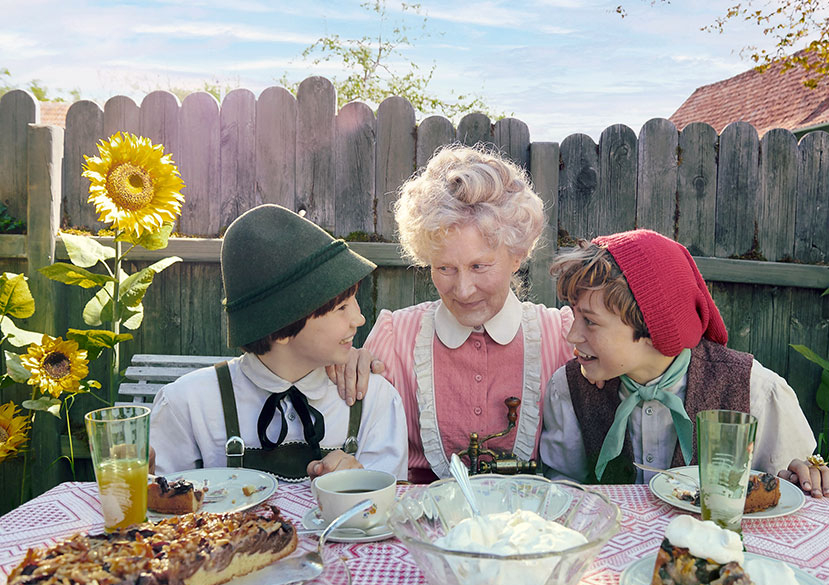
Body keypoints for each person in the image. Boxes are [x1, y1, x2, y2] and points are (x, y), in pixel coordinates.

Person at [540, 229, 829, 498]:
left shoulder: (754, 390)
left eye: (590, 322)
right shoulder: (569, 388)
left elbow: (788, 485)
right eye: (574, 314)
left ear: (651, 328)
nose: (571, 334)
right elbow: (561, 489)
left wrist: (803, 477)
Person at [356, 144, 576, 483]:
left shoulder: (563, 337)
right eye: (445, 267)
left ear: (517, 255)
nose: (463, 289)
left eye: (479, 266)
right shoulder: (393, 337)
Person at [150, 204, 407, 481]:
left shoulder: (373, 401)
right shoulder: (188, 404)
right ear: (281, 330)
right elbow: (163, 513)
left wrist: (360, 482)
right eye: (341, 308)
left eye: (353, 301)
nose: (359, 318)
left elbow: (387, 514)